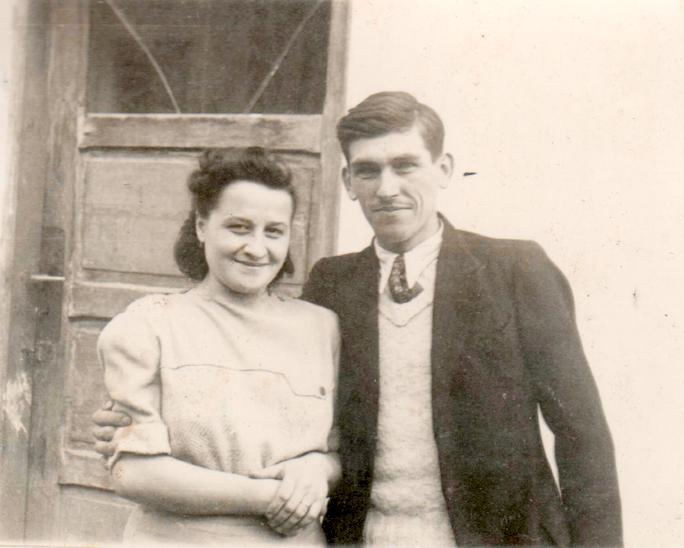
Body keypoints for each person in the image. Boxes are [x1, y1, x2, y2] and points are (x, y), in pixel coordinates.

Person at [95, 93, 622, 546]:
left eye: (405, 165)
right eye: (368, 170)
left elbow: (582, 433)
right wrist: (131, 422)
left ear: (443, 169)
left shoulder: (515, 269)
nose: (387, 187)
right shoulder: (332, 284)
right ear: (348, 181)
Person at [95, 147, 340, 544]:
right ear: (201, 227)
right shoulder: (148, 324)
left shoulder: (321, 327)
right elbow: (133, 472)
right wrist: (270, 496)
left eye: (273, 231)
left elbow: (340, 449)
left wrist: (316, 470)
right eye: (239, 227)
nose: (257, 248)